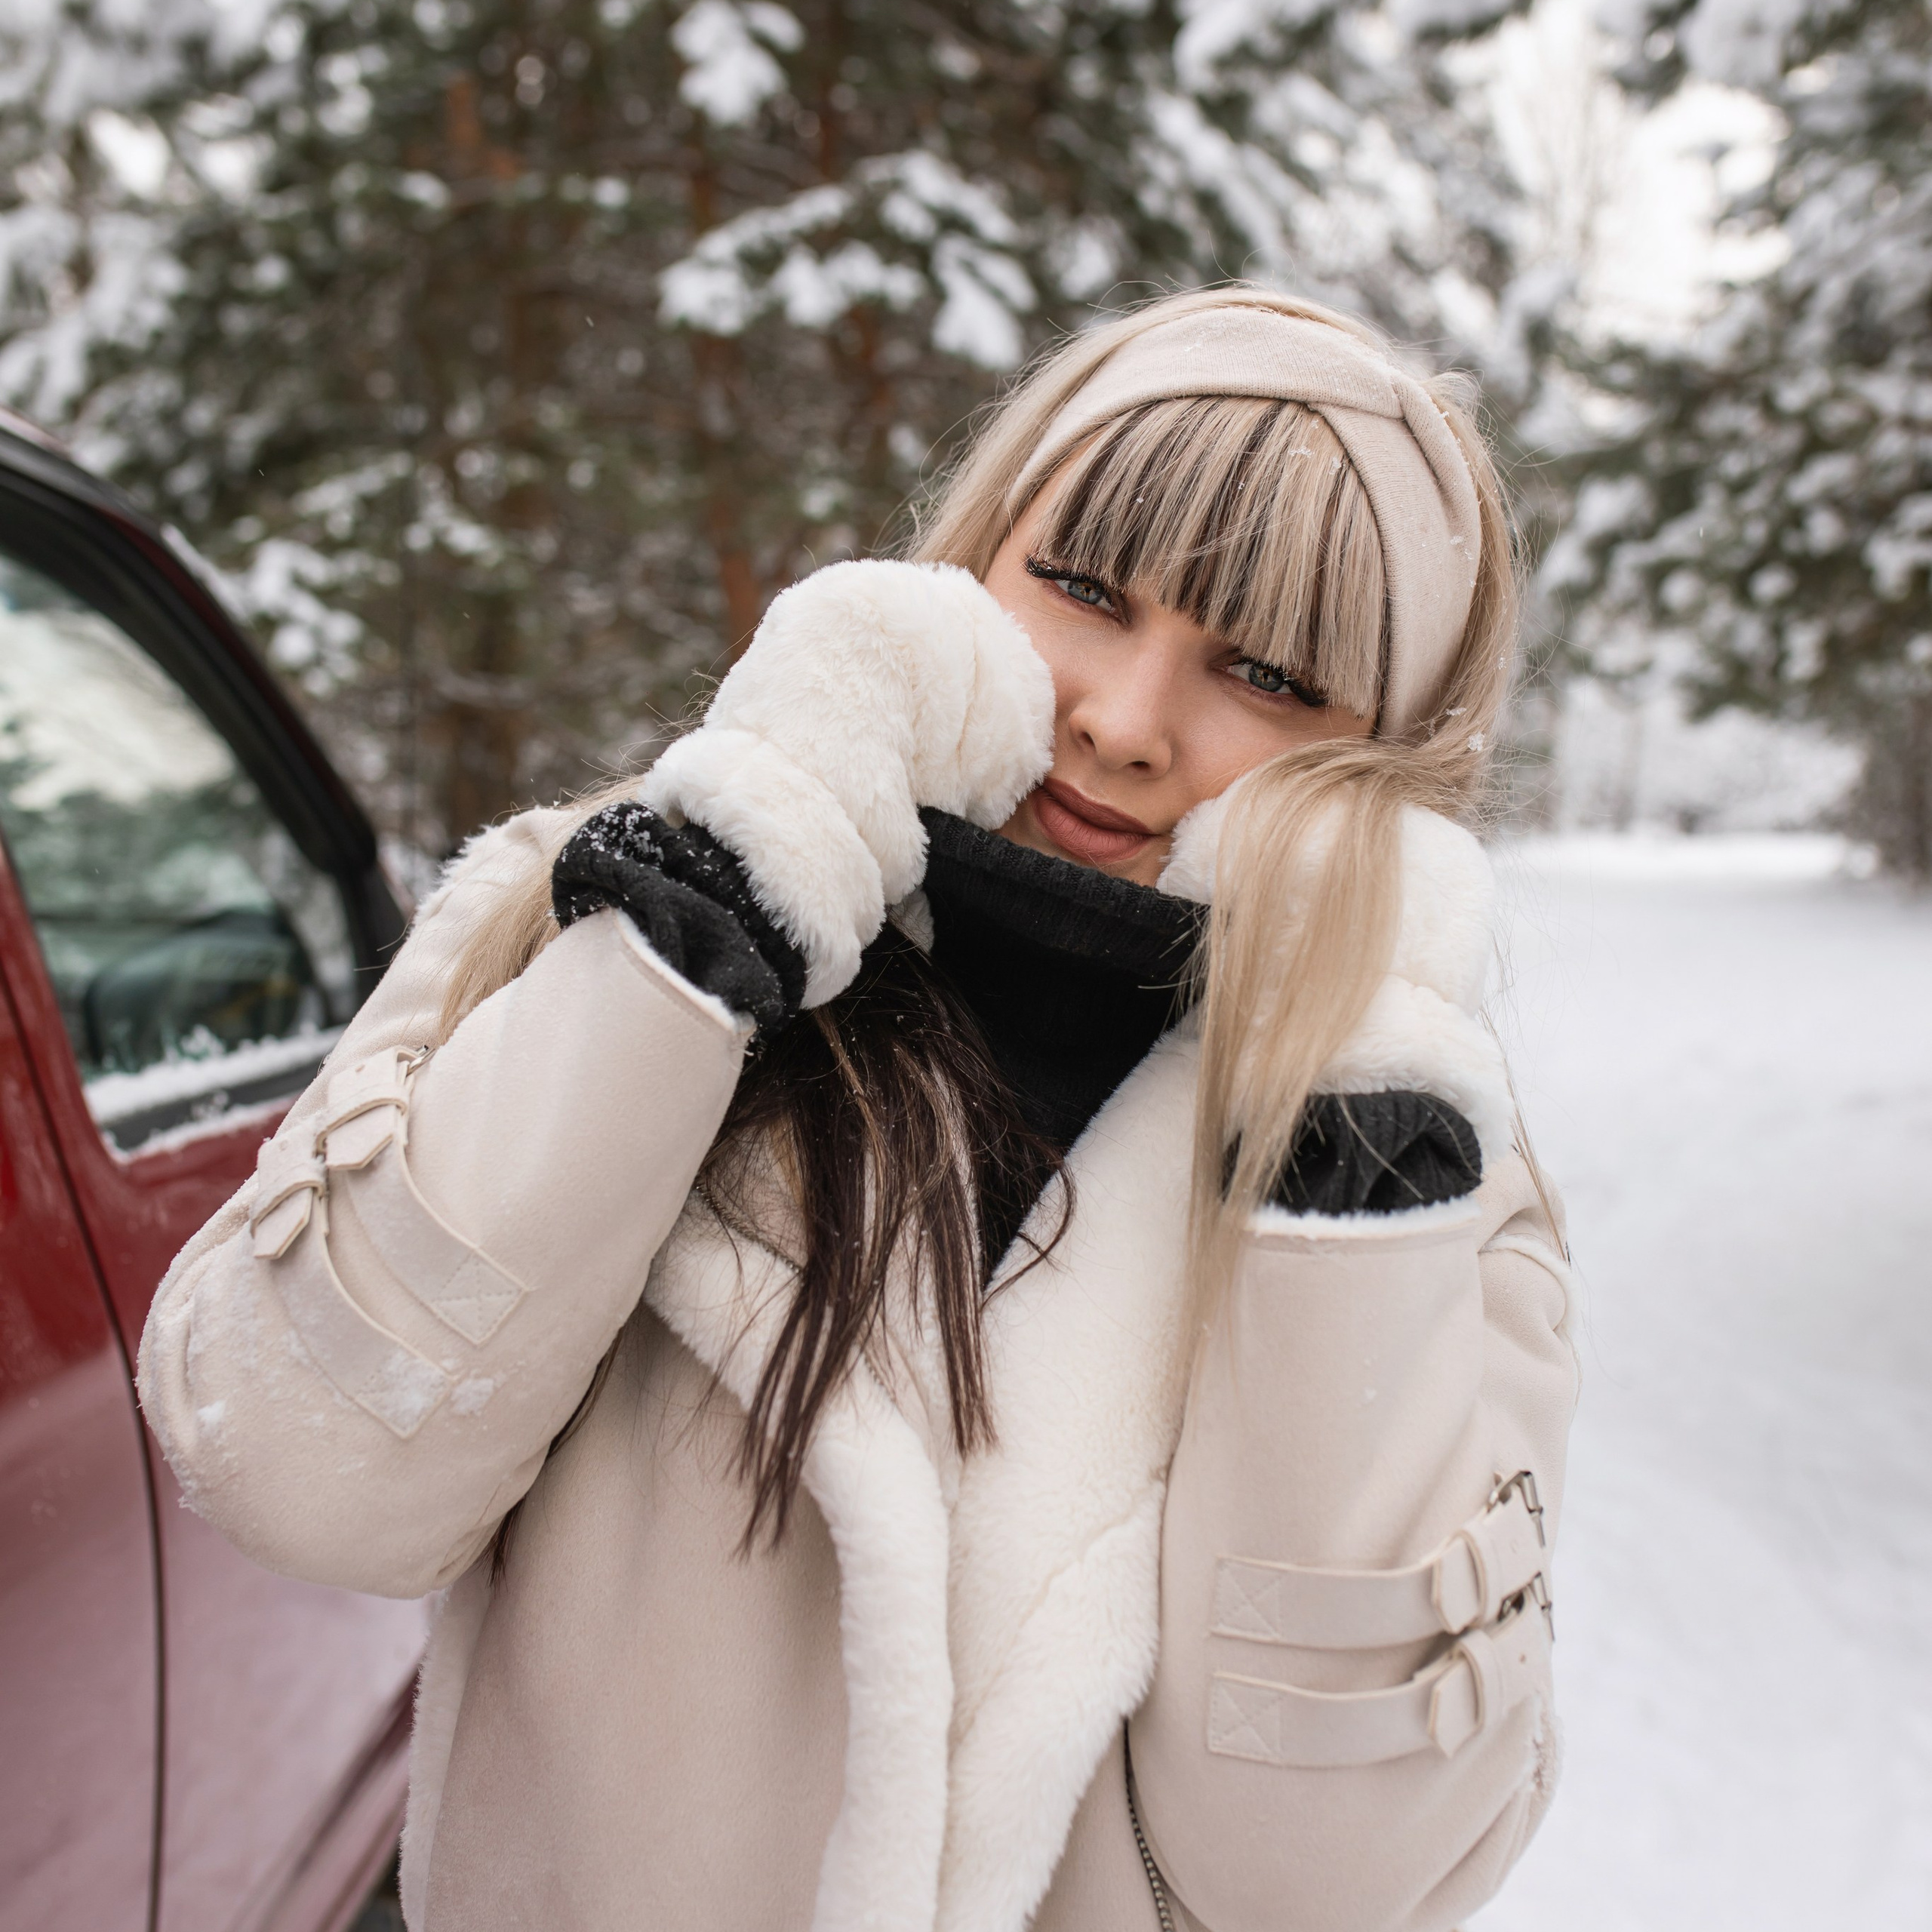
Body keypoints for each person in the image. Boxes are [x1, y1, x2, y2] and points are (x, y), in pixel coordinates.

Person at [138, 287, 1577, 1932]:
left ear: (1389, 766)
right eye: (1082, 588)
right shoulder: (597, 899)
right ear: (970, 564)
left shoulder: (1429, 1194)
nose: (1121, 719)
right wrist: (701, 932)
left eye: (1261, 672)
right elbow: (301, 1471)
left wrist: (1341, 1167)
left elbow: (1321, 1882)